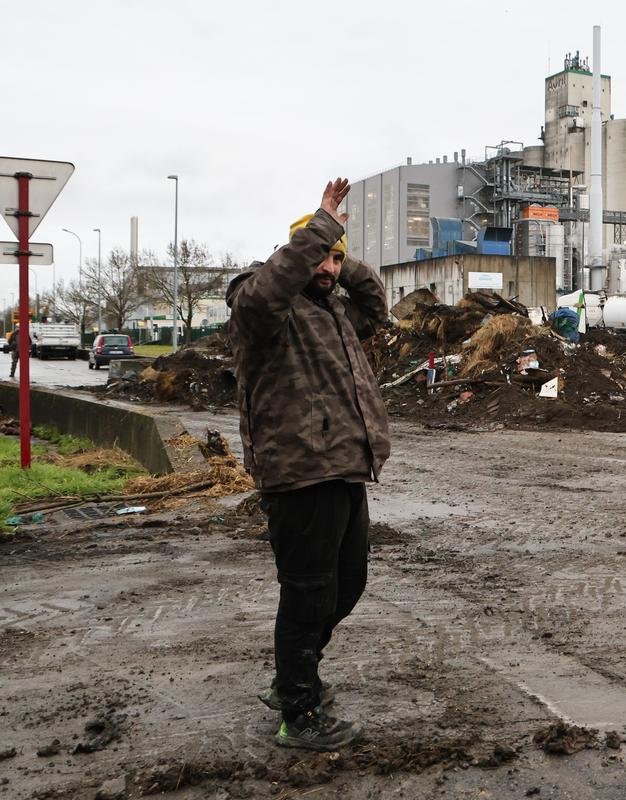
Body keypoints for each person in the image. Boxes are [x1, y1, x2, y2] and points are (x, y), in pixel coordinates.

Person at [226, 178, 391, 752]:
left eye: (334, 259)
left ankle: (294, 678)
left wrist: (342, 261)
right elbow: (268, 289)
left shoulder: (333, 313)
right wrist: (321, 226)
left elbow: (377, 308)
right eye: (317, 256)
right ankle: (297, 711)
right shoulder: (263, 309)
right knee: (306, 591)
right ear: (293, 253)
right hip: (298, 470)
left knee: (348, 584)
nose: (326, 266)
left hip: (345, 465)